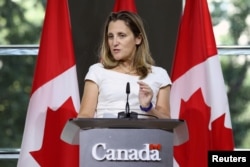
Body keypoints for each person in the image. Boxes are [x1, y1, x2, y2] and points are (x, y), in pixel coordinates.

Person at [77, 11, 171, 119]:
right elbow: (84, 116)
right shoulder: (97, 71)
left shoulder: (159, 74)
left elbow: (166, 122)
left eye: (121, 35)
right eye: (110, 36)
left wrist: (148, 108)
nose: (114, 42)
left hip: (145, 135)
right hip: (105, 135)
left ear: (138, 39)